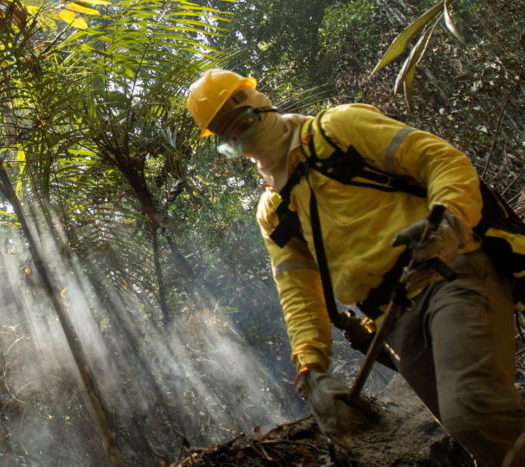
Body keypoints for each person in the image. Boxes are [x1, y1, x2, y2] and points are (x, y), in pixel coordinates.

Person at [186, 68, 525, 467]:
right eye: (229, 140)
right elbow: (298, 292)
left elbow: (439, 159)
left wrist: (447, 219)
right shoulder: (275, 211)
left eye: (244, 124)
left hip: (449, 271)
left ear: (262, 105)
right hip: (391, 320)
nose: (243, 141)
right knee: (474, 431)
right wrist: (309, 369)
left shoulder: (340, 128)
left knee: (472, 410)